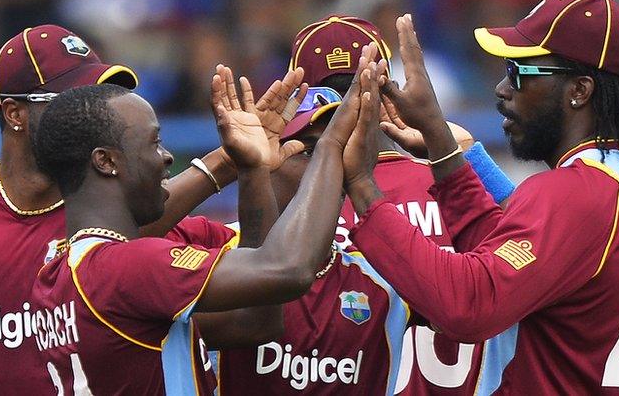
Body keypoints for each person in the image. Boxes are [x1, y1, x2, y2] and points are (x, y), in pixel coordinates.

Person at [345, 0, 619, 394]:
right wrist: (445, 150)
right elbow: (527, 248)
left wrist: (361, 187)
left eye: (520, 72)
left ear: (580, 91)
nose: (501, 89)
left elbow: (469, 305)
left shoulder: (572, 194)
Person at [29, 45, 383, 394]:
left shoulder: (57, 267)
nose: (166, 157)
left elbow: (258, 322)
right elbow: (289, 269)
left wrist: (252, 169)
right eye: (153, 143)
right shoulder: (124, 268)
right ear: (106, 162)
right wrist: (332, 146)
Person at [215, 17, 514, 395]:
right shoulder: (461, 191)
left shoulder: (291, 203)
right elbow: (539, 251)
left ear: (298, 99)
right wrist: (464, 155)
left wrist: (240, 168)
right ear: (389, 93)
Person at [0, 24, 247, 394]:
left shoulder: (117, 207)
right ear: (15, 114)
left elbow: (265, 294)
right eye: (75, 98)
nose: (96, 110)